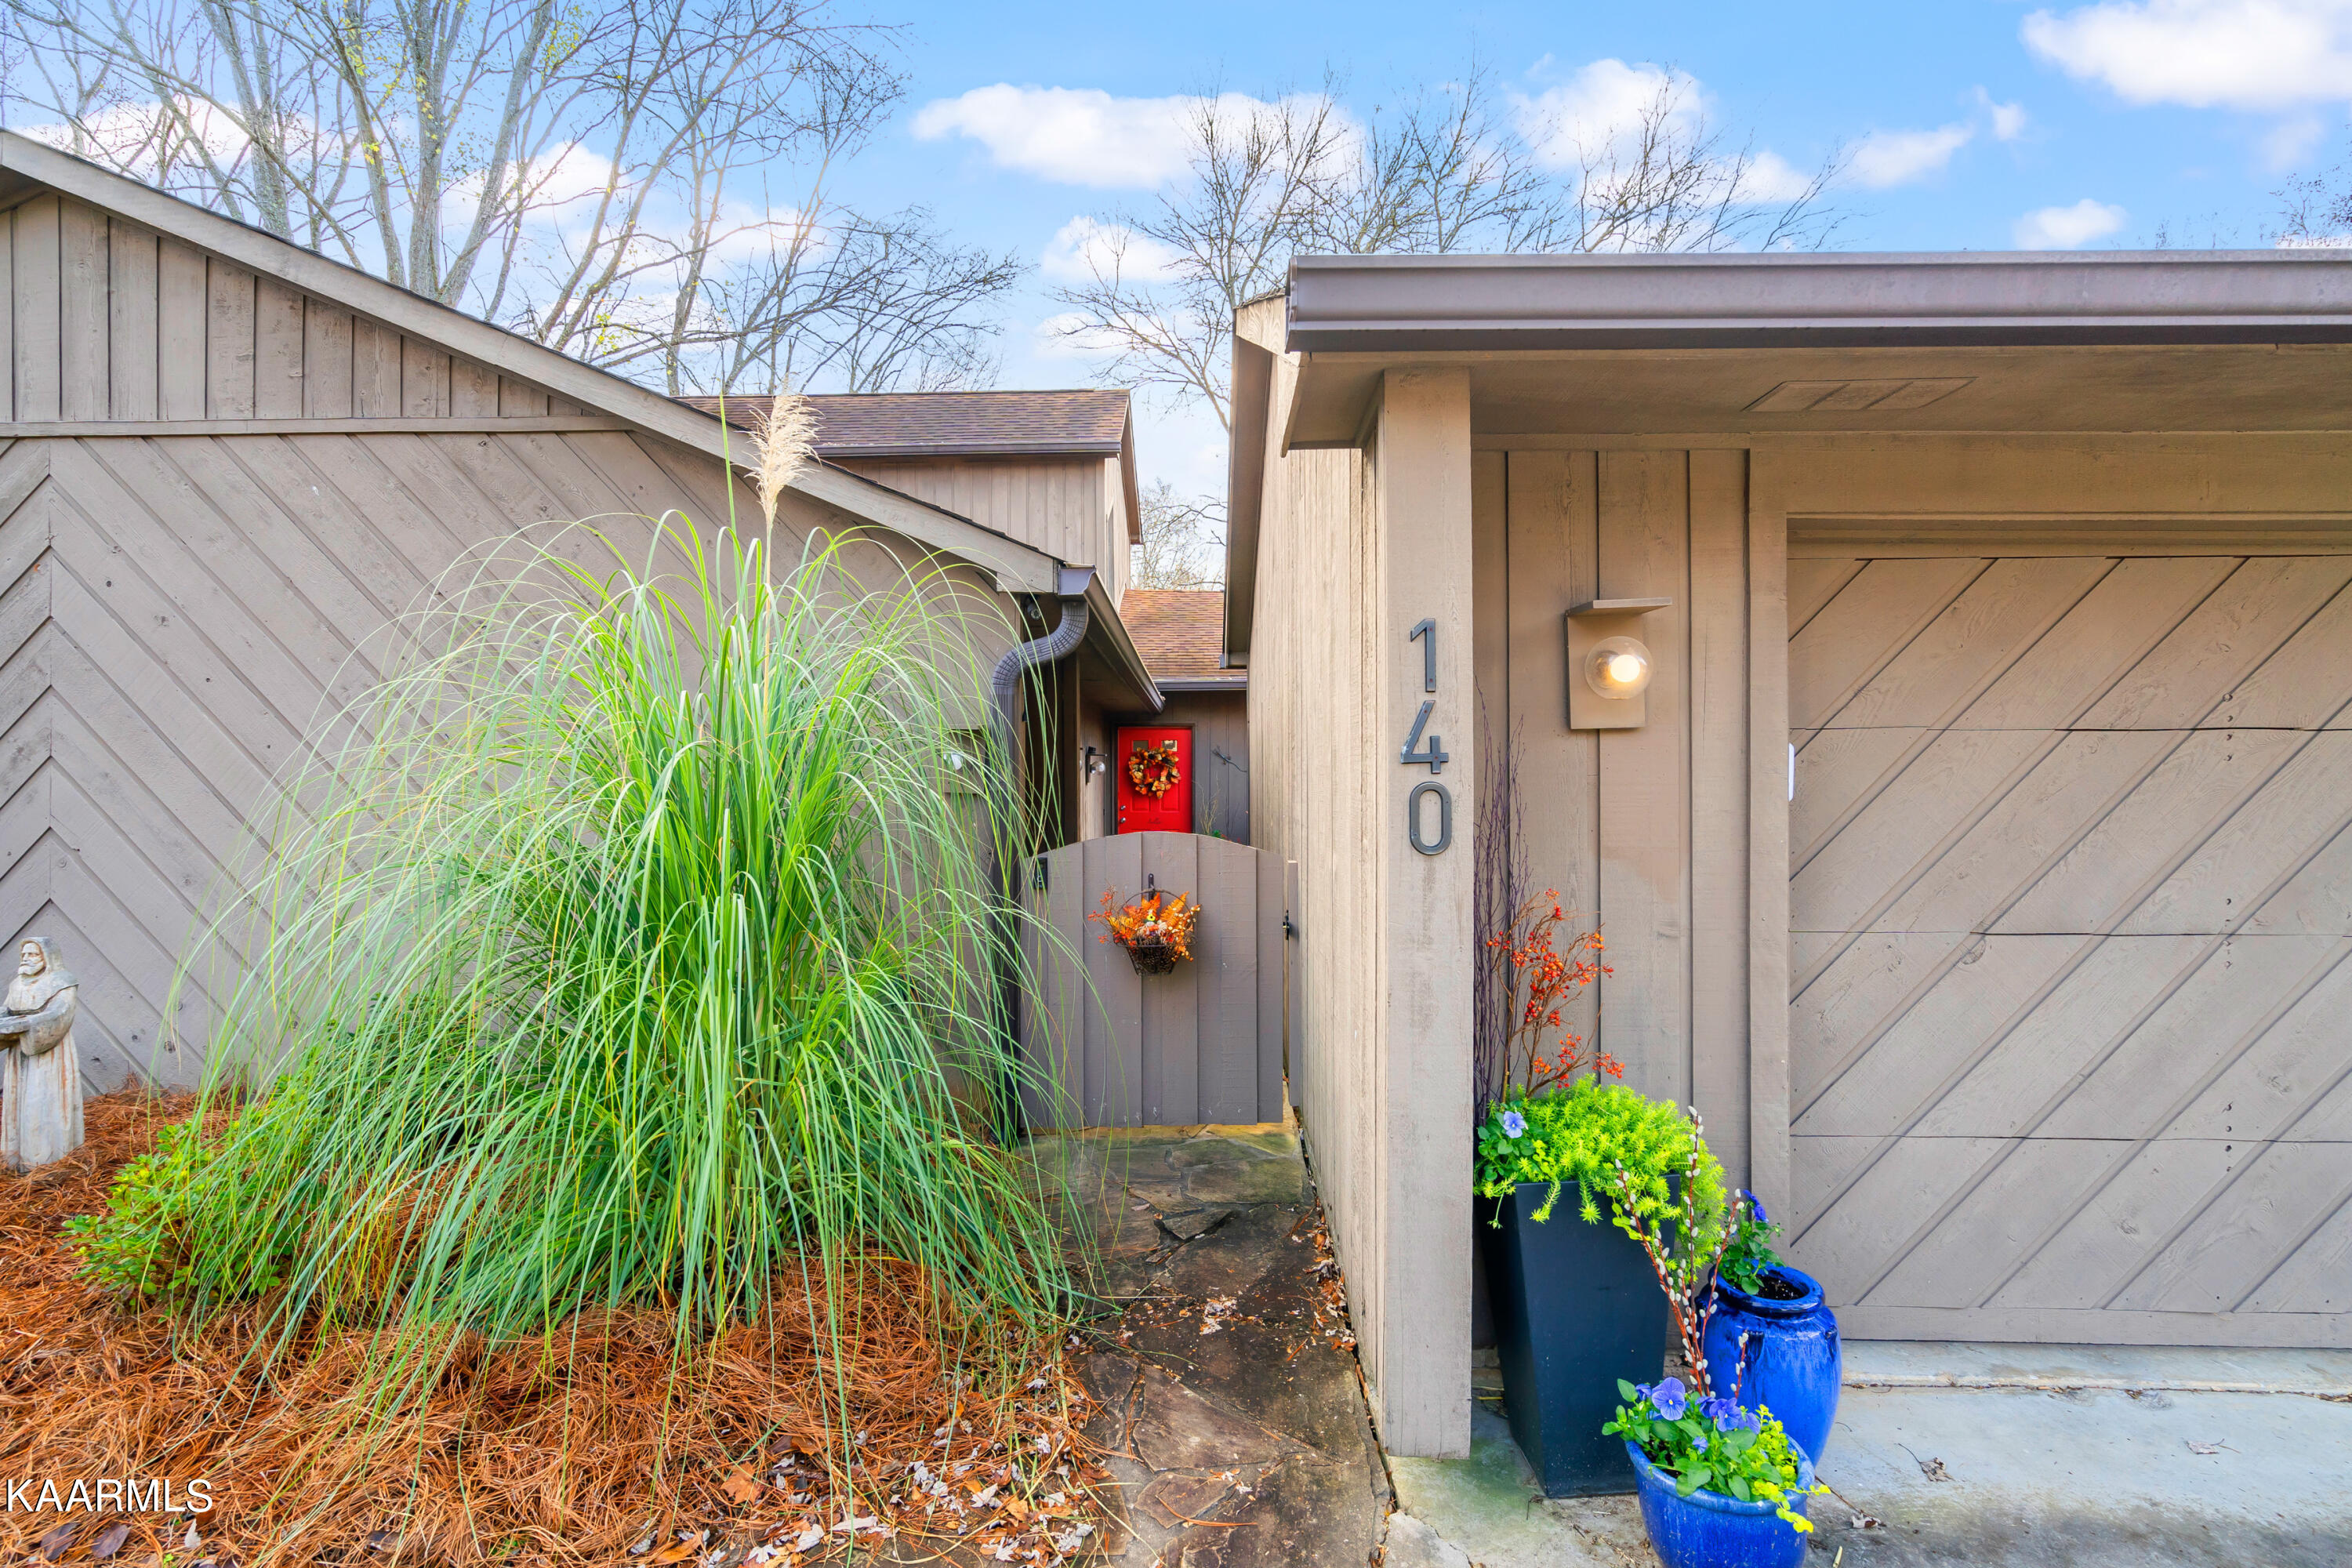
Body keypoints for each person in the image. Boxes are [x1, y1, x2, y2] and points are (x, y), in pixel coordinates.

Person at [1, 936, 84, 1172]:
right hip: (20, 1052)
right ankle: (16, 1160)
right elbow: (8, 1009)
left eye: (33, 954)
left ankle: (46, 1161)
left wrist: (26, 1024)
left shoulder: (62, 982)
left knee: (42, 1101)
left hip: (49, 1054)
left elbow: (60, 1014)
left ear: (47, 957)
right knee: (19, 1101)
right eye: (24, 955)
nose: (26, 959)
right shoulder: (18, 984)